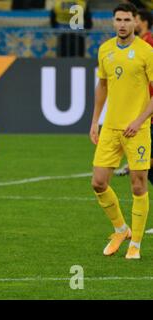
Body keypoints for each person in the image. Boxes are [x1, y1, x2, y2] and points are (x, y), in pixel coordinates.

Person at [90, 3, 153, 260]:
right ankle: (121, 229)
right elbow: (102, 86)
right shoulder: (105, 50)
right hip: (111, 128)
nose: (123, 24)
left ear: (135, 22)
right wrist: (95, 121)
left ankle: (135, 244)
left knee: (138, 185)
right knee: (98, 182)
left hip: (136, 129)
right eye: (119, 19)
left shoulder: (146, 52)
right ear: (113, 22)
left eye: (128, 19)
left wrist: (139, 121)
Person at [115, 8, 153, 177]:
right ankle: (135, 162)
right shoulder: (140, 42)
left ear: (143, 22)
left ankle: (134, 163)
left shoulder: (148, 44)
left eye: (134, 19)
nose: (132, 23)